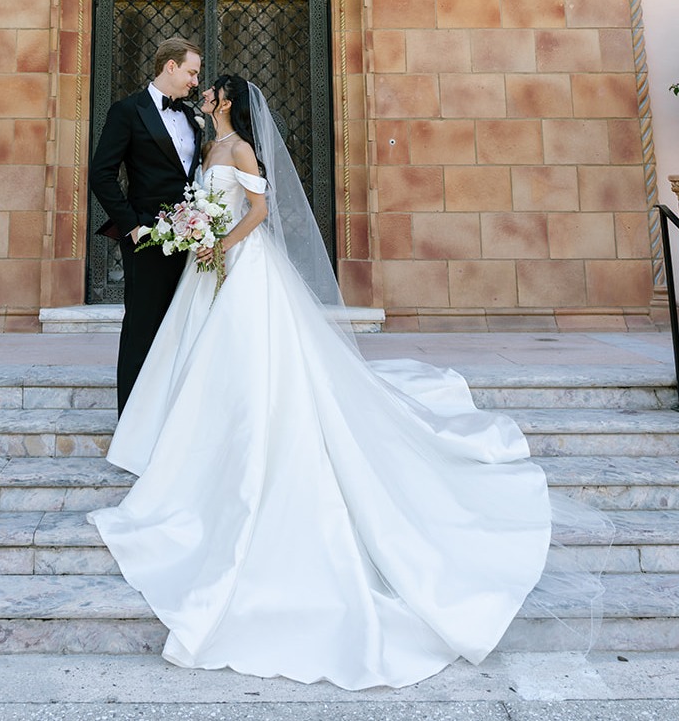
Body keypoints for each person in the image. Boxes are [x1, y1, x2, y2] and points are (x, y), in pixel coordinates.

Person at [89, 75, 557, 691]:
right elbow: (202, 200)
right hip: (207, 271)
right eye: (198, 88)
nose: (202, 97)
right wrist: (193, 230)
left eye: (209, 93)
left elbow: (258, 211)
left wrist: (219, 245)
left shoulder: (241, 151)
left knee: (252, 360)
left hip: (240, 268)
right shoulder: (207, 148)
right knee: (200, 358)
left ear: (225, 101)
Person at [89, 37, 203, 412]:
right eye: (191, 72)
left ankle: (169, 414)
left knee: (180, 326)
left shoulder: (191, 117)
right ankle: (132, 420)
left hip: (190, 237)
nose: (195, 82)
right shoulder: (127, 111)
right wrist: (133, 226)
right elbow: (101, 174)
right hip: (148, 238)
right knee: (142, 326)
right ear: (170, 67)